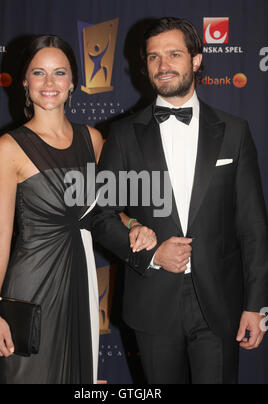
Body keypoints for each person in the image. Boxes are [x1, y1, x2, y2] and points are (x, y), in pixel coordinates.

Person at [91, 17, 268, 384]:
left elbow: (253, 226)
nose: (163, 65)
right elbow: (101, 214)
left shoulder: (234, 132)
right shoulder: (124, 134)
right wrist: (151, 254)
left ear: (197, 60)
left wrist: (255, 305)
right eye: (154, 57)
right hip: (152, 301)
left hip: (220, 303)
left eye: (174, 54)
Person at [0, 34, 157, 385]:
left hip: (80, 278)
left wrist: (135, 224)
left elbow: (105, 209)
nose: (49, 83)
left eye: (59, 73)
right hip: (30, 285)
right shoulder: (7, 148)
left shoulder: (92, 140)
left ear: (73, 82)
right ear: (25, 82)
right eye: (38, 73)